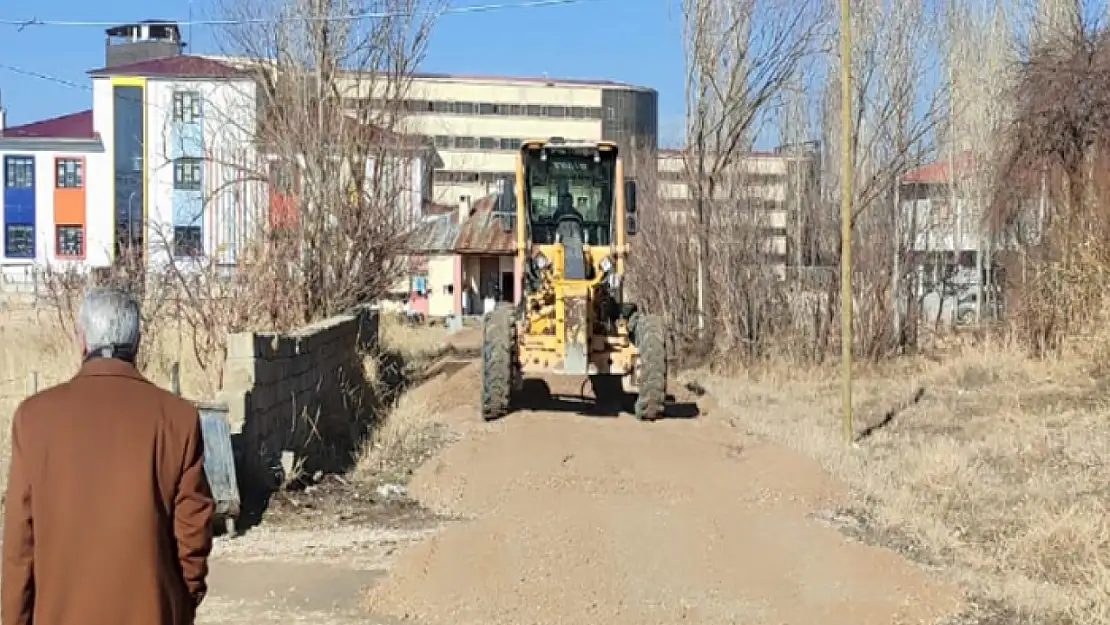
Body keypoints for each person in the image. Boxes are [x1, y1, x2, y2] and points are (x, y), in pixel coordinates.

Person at [2, 287, 215, 625]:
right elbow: (193, 532)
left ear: (81, 340)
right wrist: (177, 603)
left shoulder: (34, 418)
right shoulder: (177, 418)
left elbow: (19, 545)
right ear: (138, 343)